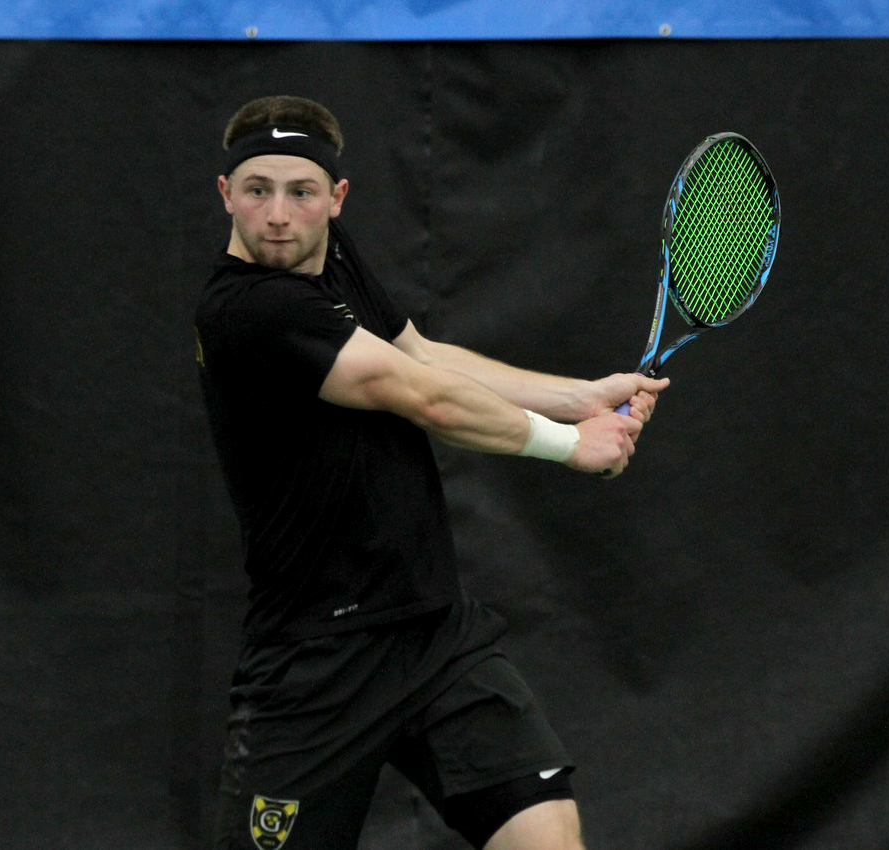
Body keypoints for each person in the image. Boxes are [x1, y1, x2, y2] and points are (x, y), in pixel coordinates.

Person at [194, 95, 668, 850]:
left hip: (435, 633)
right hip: (317, 663)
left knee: (548, 840)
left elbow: (420, 354)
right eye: (257, 190)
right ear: (226, 194)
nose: (278, 214)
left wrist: (581, 395)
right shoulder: (250, 311)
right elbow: (422, 396)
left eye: (301, 192)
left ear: (335, 197)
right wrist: (568, 445)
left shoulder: (334, 254)